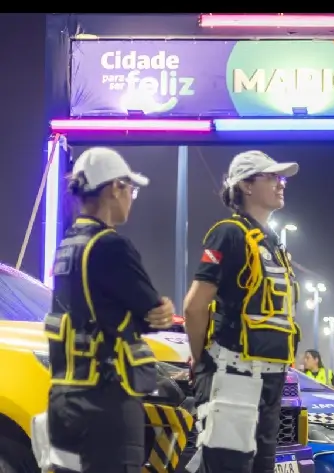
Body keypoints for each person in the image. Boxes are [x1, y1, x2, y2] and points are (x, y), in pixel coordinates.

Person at [43, 147, 174, 473]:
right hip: (107, 402)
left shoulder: (67, 245)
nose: (132, 197)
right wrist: (161, 311)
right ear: (115, 187)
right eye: (131, 189)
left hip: (64, 400)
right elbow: (154, 311)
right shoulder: (111, 245)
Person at [182, 150, 301, 473]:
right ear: (246, 186)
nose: (281, 183)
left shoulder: (273, 243)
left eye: (282, 178)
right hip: (234, 376)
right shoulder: (229, 233)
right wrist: (202, 362)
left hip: (271, 380)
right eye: (272, 177)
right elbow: (195, 306)